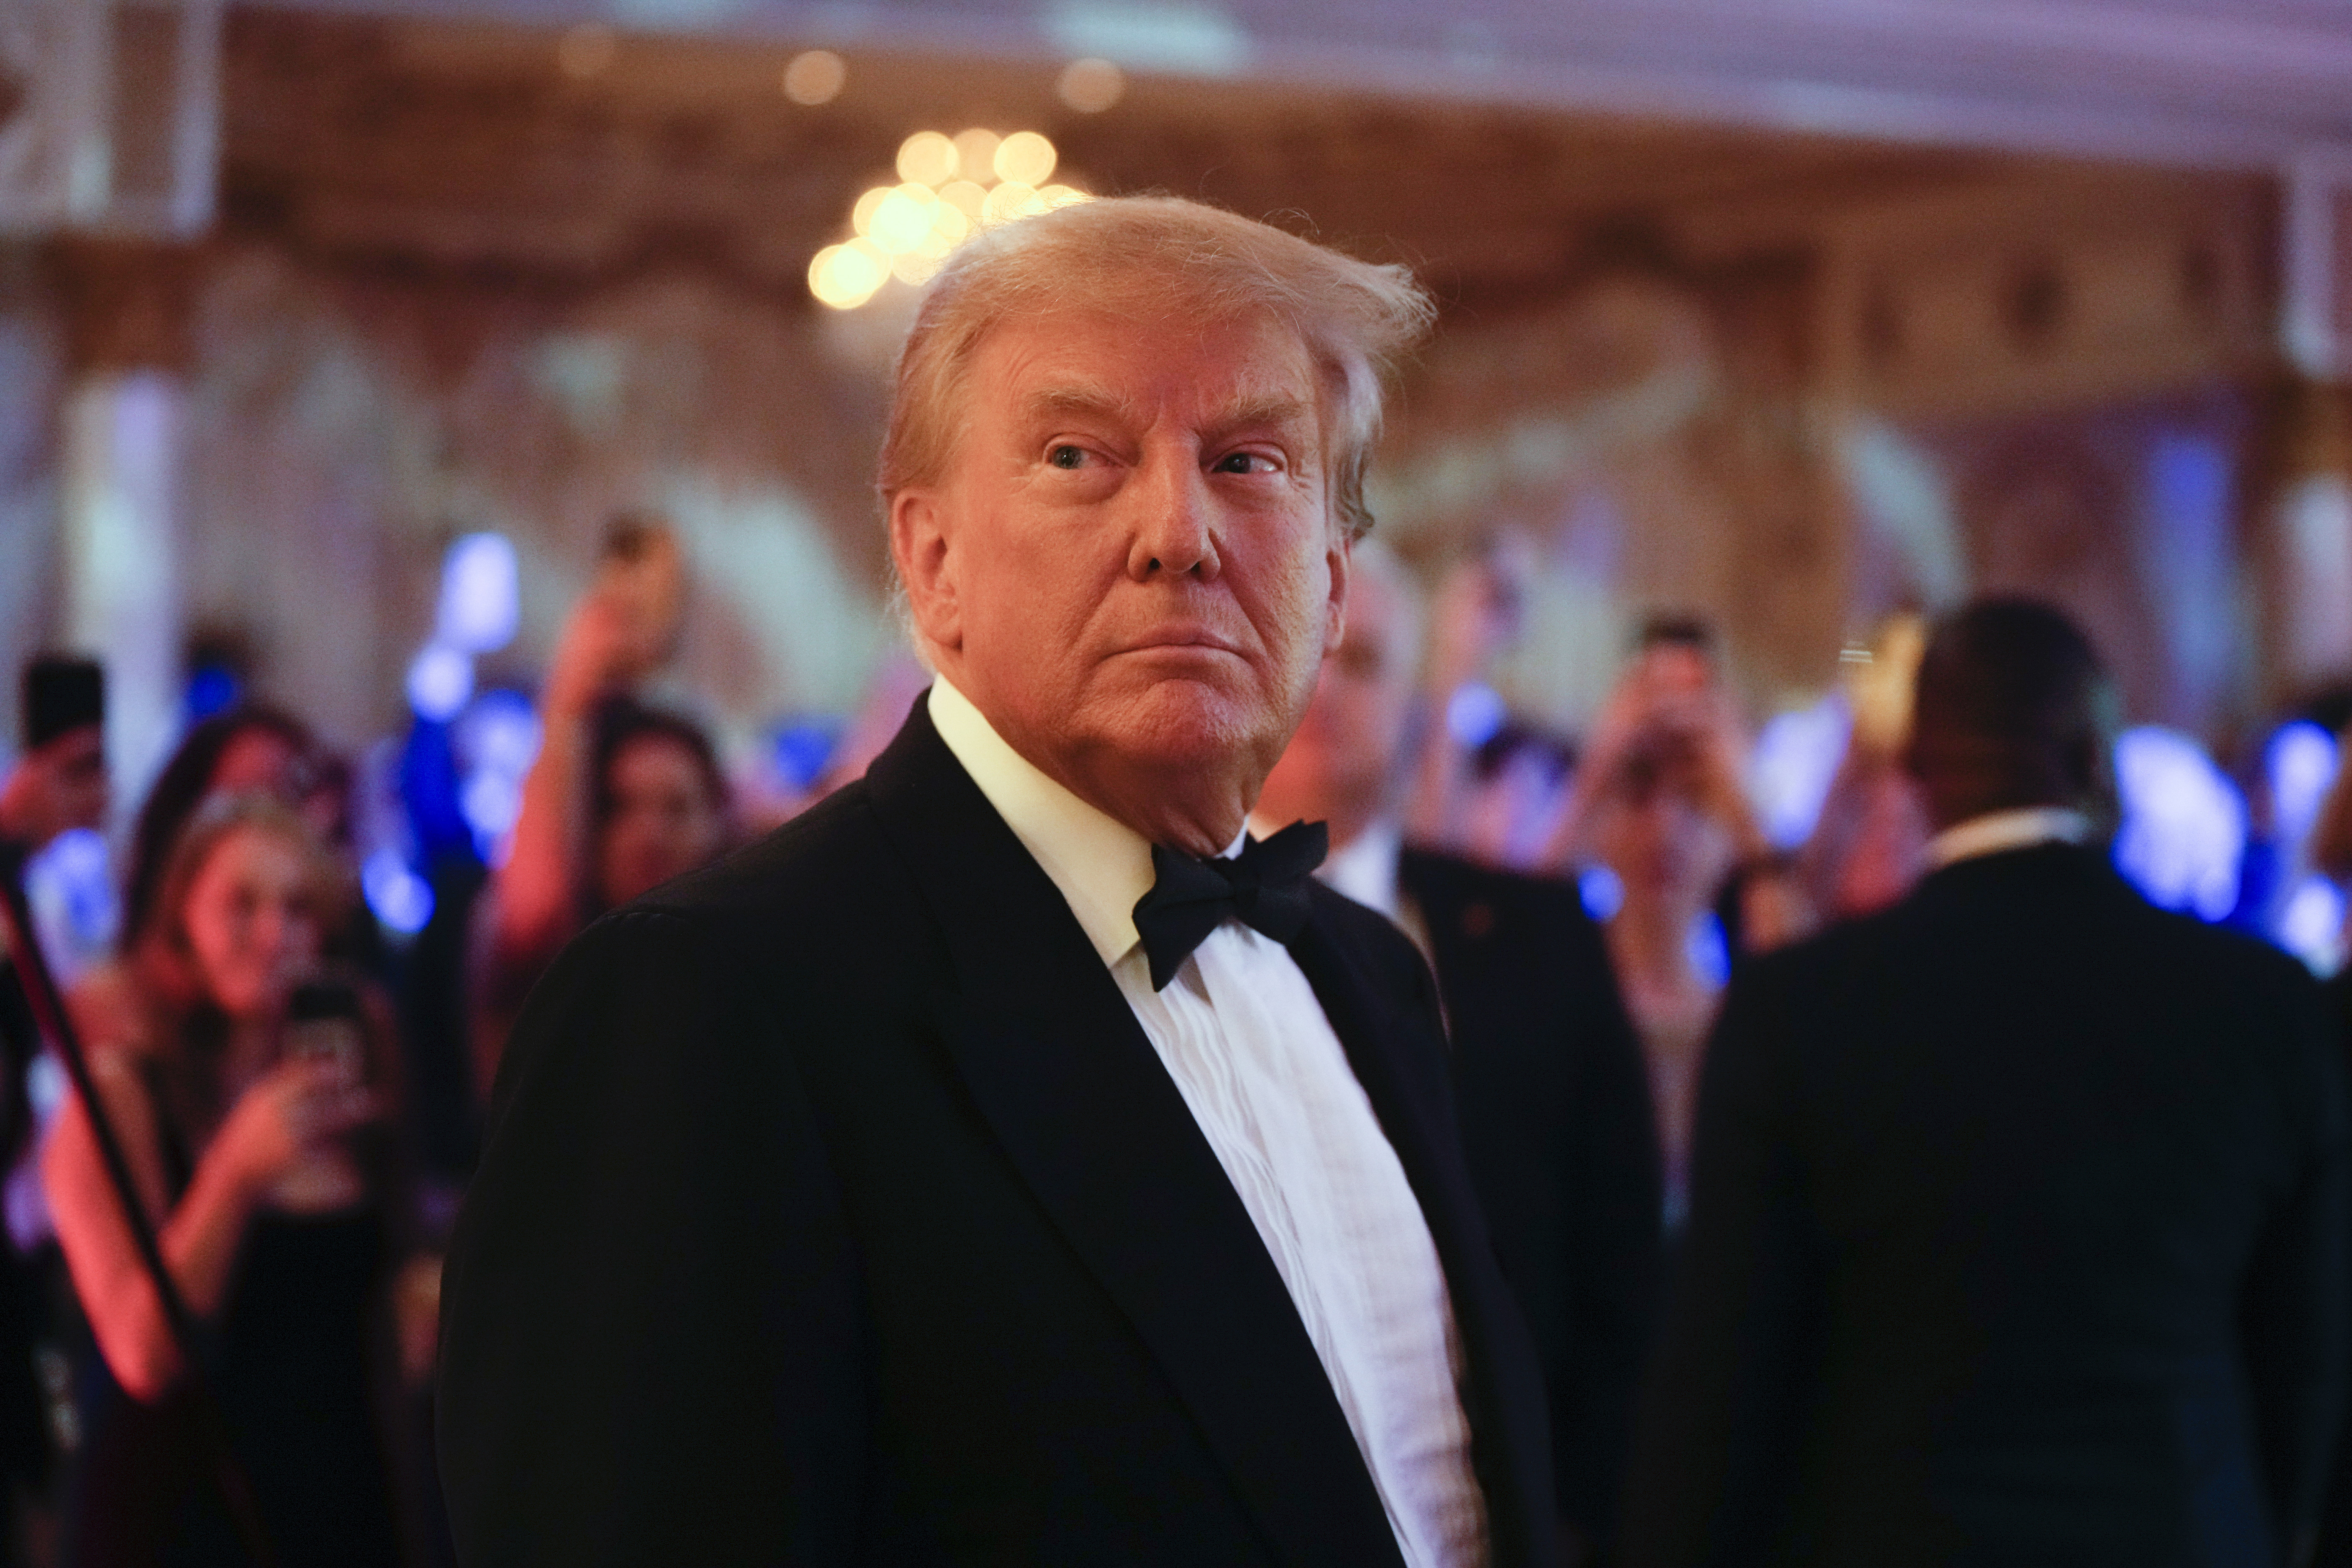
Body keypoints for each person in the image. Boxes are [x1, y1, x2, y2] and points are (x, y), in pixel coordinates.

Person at [438, 195, 1557, 1566]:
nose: (1177, 532)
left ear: (1328, 577)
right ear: (931, 562)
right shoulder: (712, 1001)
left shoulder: (1366, 975)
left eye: (1248, 461)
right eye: (1079, 455)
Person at [1621, 597, 2349, 1568]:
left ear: (1920, 773)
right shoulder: (2262, 1004)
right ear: (2099, 758)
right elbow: (2304, 1366)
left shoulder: (1800, 1010)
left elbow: (1722, 1382)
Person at [1255, 542, 1662, 1565]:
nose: (1326, 690)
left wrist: (1584, 1520)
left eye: (1363, 663)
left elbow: (1619, 1257)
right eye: (1302, 652)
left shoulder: (1539, 934)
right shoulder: (1150, 929)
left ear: (1415, 698)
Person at [45, 795, 410, 1567]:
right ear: (182, 921)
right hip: (175, 1515)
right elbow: (145, 1354)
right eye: (241, 905)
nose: (276, 934)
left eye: (298, 908)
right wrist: (235, 1174)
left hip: (333, 1513)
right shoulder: (119, 1097)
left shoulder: (345, 1083)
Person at [469, 522, 730, 1095]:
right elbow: (533, 904)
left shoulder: (742, 964)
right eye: (620, 807)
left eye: (678, 808)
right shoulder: (550, 960)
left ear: (718, 822)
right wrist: (570, 690)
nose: (650, 832)